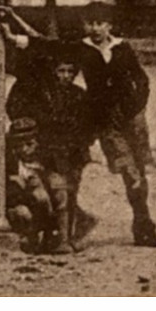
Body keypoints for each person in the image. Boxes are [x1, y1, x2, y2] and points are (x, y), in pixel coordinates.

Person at [0, 2, 156, 246]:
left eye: (100, 23)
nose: (95, 28)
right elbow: (45, 44)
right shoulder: (81, 49)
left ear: (109, 25)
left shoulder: (123, 49)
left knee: (138, 175)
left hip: (131, 118)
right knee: (112, 168)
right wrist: (13, 34)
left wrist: (133, 108)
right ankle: (69, 226)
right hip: (102, 120)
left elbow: (142, 81)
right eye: (90, 23)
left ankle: (143, 224)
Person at [38, 52, 97, 255]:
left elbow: (90, 123)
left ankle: (69, 236)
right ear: (54, 72)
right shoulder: (46, 96)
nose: (66, 75)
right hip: (52, 151)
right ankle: (62, 239)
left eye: (70, 71)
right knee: (59, 194)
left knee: (70, 194)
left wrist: (84, 142)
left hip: (74, 152)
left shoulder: (80, 95)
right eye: (61, 71)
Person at [4, 117, 56, 255]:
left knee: (43, 198)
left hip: (44, 205)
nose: (23, 149)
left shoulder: (44, 160)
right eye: (18, 145)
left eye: (29, 144)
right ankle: (29, 238)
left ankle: (48, 236)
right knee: (22, 212)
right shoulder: (9, 162)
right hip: (22, 203)